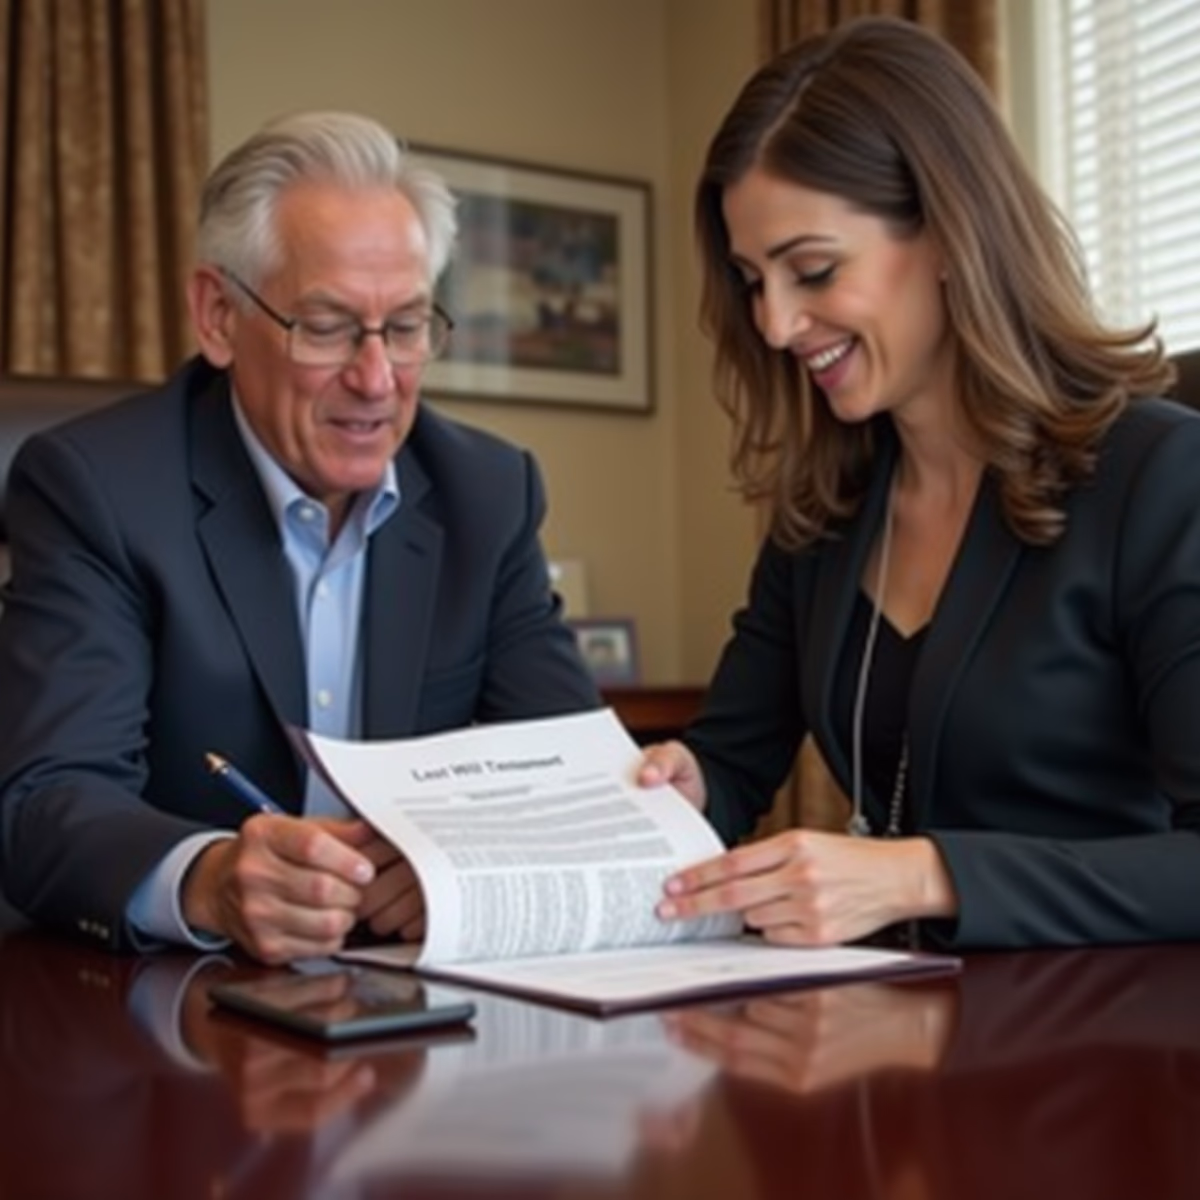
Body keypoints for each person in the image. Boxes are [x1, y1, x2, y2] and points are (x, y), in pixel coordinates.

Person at [640, 16, 1200, 948]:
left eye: (812, 270)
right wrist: (686, 784)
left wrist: (925, 874)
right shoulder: (823, 511)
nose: (776, 325)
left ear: (948, 234)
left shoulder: (1160, 478)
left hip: (1114, 1049)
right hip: (897, 1029)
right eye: (752, 280)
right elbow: (731, 764)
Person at [0, 111, 600, 963]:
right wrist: (208, 878)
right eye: (326, 327)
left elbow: (572, 783)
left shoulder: (487, 495)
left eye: (405, 327)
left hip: (418, 1004)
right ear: (217, 315)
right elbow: (48, 799)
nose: (377, 379)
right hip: (178, 1017)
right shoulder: (99, 488)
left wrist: (454, 863)